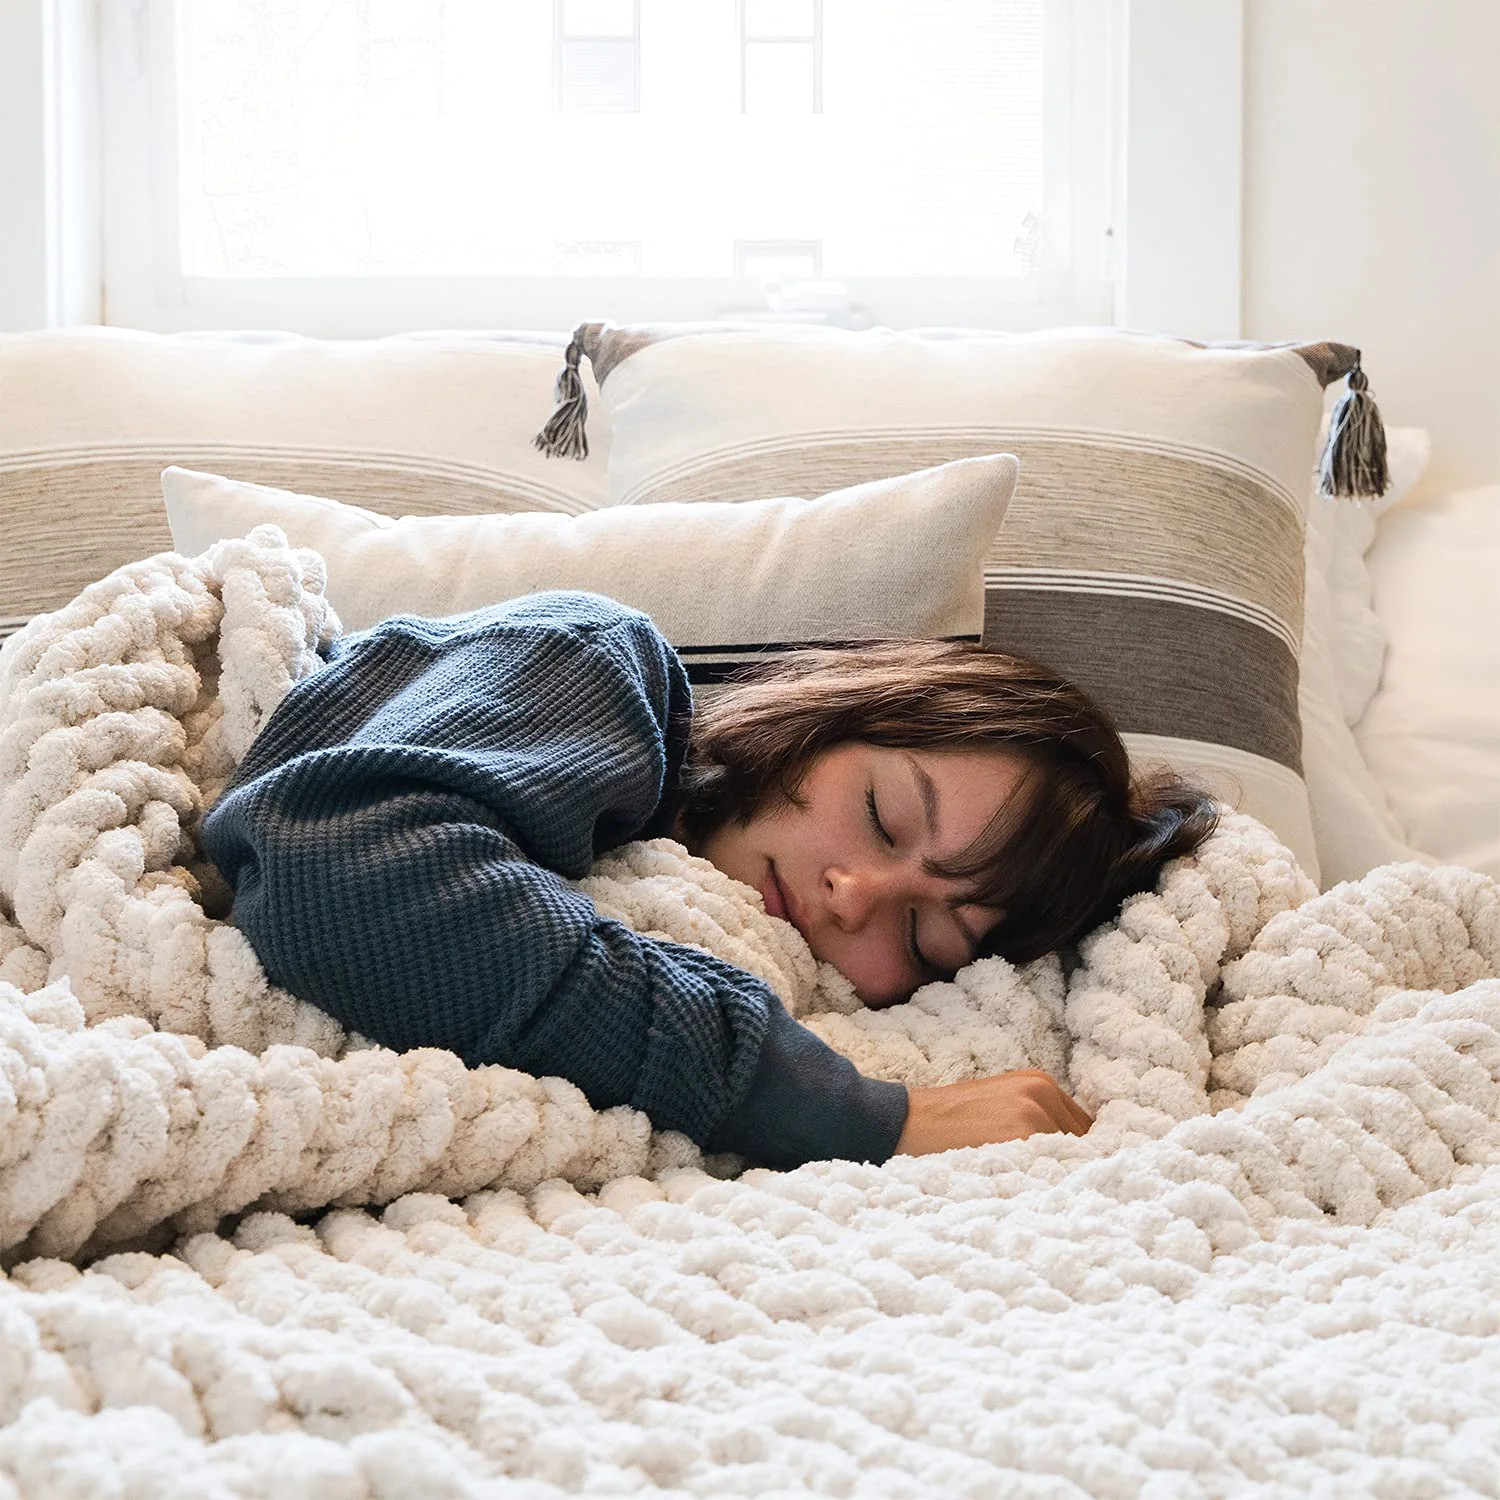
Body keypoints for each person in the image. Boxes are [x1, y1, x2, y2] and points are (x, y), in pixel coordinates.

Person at [200, 591, 1219, 1171]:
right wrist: (866, 1117)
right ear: (828, 721)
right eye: (882, 815)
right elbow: (339, 866)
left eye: (922, 943)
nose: (854, 896)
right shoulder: (599, 669)